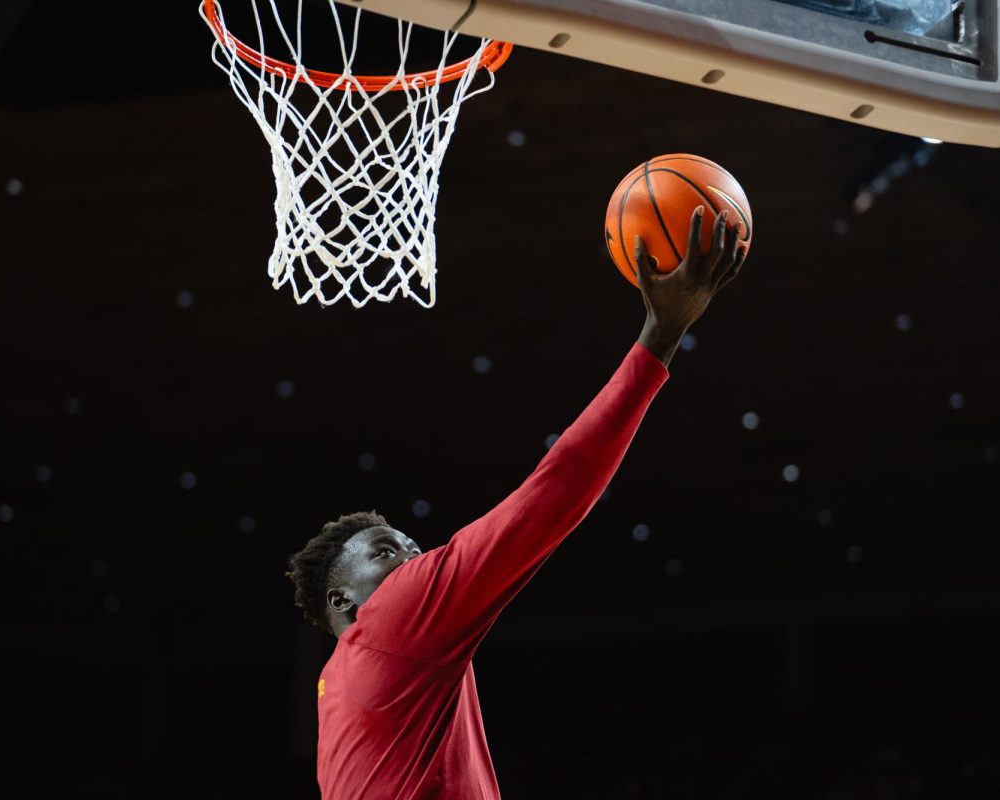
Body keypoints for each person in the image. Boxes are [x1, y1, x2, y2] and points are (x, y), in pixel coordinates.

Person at [286, 208, 748, 799]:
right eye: (385, 551)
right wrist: (660, 336)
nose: (413, 556)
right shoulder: (397, 616)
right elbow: (554, 491)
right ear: (342, 600)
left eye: (409, 545)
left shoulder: (337, 683)